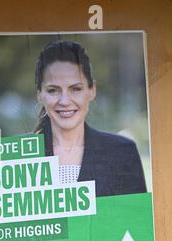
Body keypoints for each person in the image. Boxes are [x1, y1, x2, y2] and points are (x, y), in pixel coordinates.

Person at [33, 40, 147, 197]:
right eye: (53, 90)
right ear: (40, 94)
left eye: (76, 89)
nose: (65, 101)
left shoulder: (122, 152)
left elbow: (135, 219)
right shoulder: (17, 158)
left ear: (92, 90)